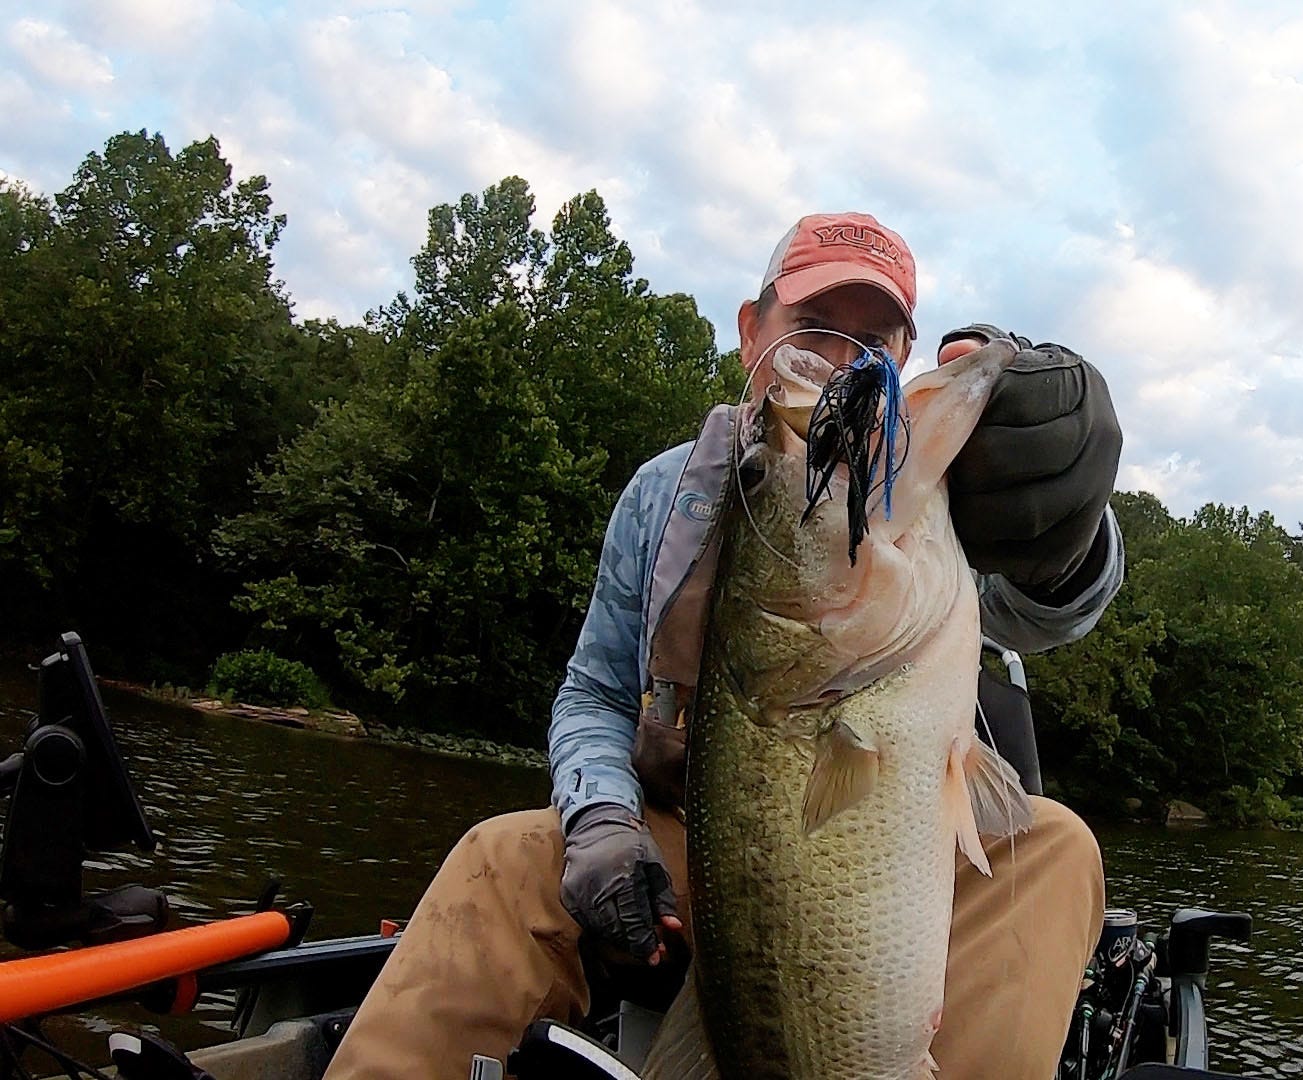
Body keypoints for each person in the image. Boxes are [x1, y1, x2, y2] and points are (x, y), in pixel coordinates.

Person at [324, 212, 1126, 1079]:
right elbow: (594, 691)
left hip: (898, 846)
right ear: (753, 331)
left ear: (904, 358)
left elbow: (1047, 606)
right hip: (709, 853)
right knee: (502, 858)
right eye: (814, 331)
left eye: (876, 343)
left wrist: (1063, 514)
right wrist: (601, 820)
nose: (843, 365)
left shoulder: (927, 491)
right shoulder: (664, 491)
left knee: (1055, 850)